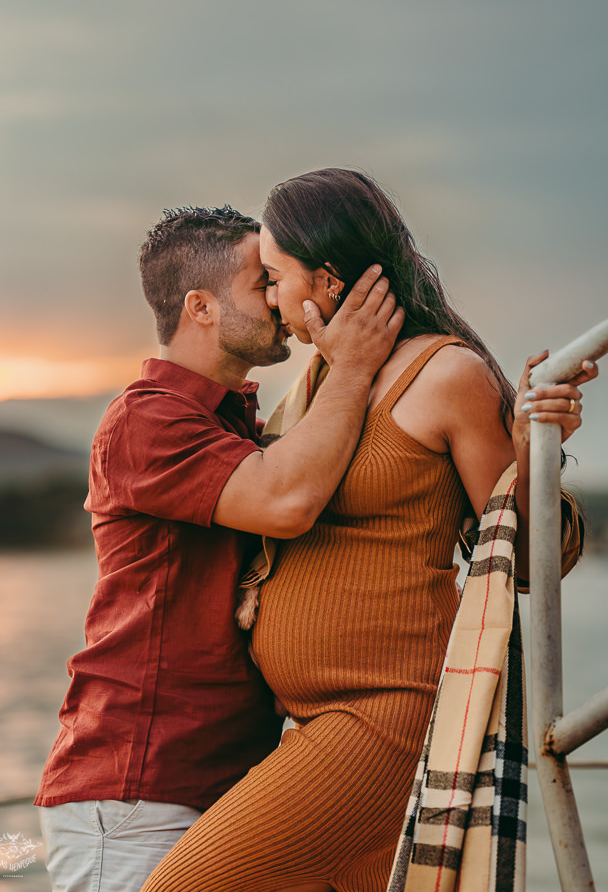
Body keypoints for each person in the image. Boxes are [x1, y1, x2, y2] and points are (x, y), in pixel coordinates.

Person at [142, 170, 598, 892]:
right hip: (313, 720)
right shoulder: (323, 381)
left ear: (326, 280)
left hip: (378, 718)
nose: (269, 298)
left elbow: (532, 558)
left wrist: (531, 450)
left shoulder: (446, 375)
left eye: (275, 277)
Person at [35, 203, 403, 892]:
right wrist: (352, 366)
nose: (275, 295)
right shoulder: (145, 417)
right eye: (259, 280)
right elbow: (286, 502)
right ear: (200, 308)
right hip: (140, 794)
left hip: (227, 788)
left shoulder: (237, 421)